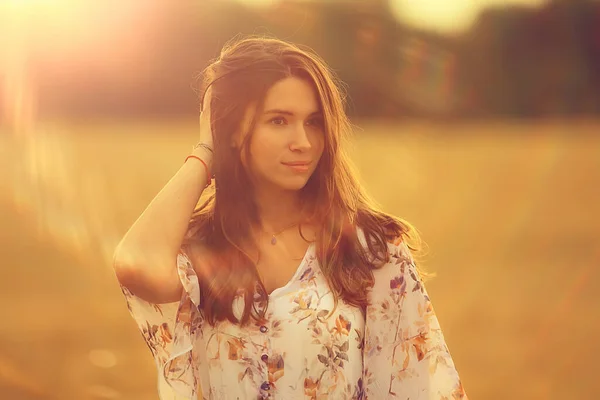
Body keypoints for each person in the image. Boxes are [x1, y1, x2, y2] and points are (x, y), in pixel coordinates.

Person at [113, 34, 467, 400]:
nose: (303, 141)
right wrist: (205, 153)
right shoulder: (198, 250)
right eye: (279, 121)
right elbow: (136, 264)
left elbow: (418, 387)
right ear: (231, 131)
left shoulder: (372, 249)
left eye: (313, 122)